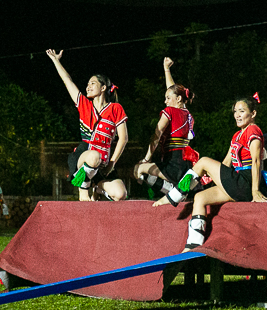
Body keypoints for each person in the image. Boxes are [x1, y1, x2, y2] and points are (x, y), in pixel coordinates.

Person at [174, 95, 267, 250]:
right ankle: (193, 244)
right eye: (235, 111)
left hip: (246, 182)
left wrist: (255, 191)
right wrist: (210, 177)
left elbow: (256, 161)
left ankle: (175, 194)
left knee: (204, 160)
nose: (237, 115)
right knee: (200, 197)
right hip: (237, 183)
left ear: (253, 114)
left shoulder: (253, 130)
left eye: (242, 111)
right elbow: (226, 163)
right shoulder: (236, 135)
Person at [46, 50, 129, 201]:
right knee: (93, 156)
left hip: (104, 161)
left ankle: (97, 188)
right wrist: (56, 61)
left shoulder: (116, 108)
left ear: (103, 88)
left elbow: (123, 139)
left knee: (120, 194)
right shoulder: (84, 104)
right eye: (87, 84)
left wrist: (111, 163)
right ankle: (83, 190)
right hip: (85, 154)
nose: (88, 86)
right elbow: (67, 80)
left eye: (93, 83)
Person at [132, 57, 199, 206]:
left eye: (167, 98)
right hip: (186, 163)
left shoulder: (170, 111)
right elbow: (173, 91)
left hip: (173, 162)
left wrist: (146, 158)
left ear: (178, 99)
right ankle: (177, 191)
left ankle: (172, 191)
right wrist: (166, 69)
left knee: (138, 170)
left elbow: (157, 134)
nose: (165, 101)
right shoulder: (188, 115)